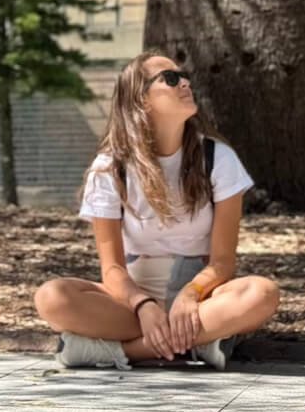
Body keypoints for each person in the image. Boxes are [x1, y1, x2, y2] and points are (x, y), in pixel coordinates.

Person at [34, 50, 280, 370]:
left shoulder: (217, 157)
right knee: (52, 297)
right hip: (132, 301)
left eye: (184, 76)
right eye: (171, 78)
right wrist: (144, 305)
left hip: (201, 296)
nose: (185, 83)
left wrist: (190, 295)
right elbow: (113, 271)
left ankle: (119, 352)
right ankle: (198, 344)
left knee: (262, 293)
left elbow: (222, 263)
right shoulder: (110, 167)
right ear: (141, 100)